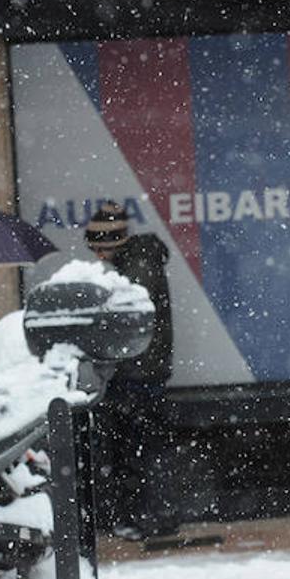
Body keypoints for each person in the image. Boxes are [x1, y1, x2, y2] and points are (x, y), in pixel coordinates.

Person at [85, 201, 179, 540]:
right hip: (142, 373)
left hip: (138, 375)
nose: (98, 255)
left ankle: (151, 518)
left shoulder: (137, 266)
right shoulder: (137, 261)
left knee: (140, 450)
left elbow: (128, 320)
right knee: (144, 448)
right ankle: (153, 516)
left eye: (100, 247)